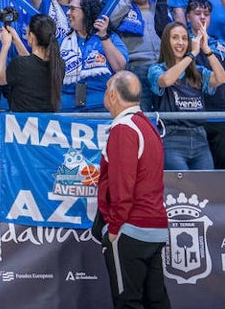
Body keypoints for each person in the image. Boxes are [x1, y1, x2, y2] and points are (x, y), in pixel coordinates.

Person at [95, 70, 170, 309]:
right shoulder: (148, 126)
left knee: (128, 302)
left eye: (107, 89)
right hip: (154, 226)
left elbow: (121, 186)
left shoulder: (123, 129)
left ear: (113, 95)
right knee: (156, 301)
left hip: (130, 229)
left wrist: (115, 227)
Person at [148, 20, 225, 170]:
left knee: (205, 190)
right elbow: (167, 80)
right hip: (172, 138)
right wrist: (191, 55)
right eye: (175, 37)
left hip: (200, 138)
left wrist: (206, 49)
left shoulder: (198, 71)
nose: (180, 42)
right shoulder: (156, 69)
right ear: (166, 42)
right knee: (181, 187)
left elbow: (221, 79)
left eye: (184, 38)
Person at [0, 13, 64, 113]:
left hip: (23, 125)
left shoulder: (20, 64)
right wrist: (16, 41)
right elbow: (33, 63)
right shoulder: (59, 64)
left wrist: (5, 46)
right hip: (48, 124)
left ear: (31, 36)